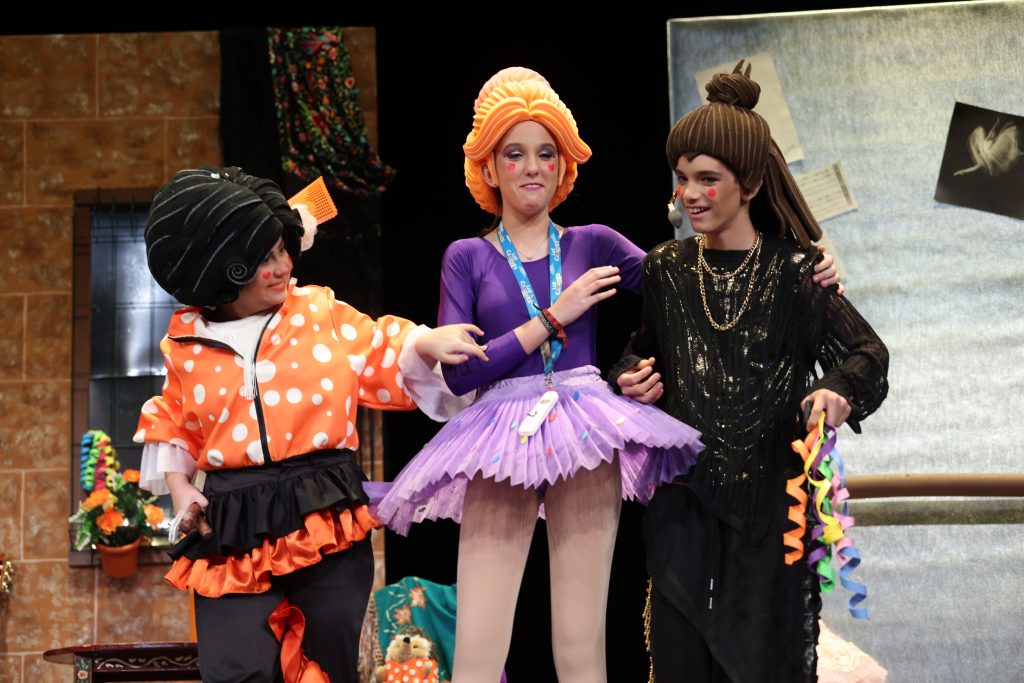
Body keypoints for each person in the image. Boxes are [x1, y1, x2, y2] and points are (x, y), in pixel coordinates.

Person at [375, 68, 840, 683]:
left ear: (564, 165)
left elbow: (693, 284)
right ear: (488, 167)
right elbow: (462, 378)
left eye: (546, 153)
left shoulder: (593, 243)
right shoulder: (467, 257)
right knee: (479, 652)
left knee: (581, 645)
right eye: (514, 154)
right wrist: (554, 316)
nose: (532, 167)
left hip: (582, 429)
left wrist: (803, 258)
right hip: (496, 435)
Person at [134, 166, 484, 682]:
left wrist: (424, 342)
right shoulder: (185, 342)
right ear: (221, 270)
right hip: (232, 519)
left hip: (322, 504)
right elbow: (174, 421)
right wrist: (182, 490)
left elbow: (378, 346)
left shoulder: (318, 312)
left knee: (327, 658)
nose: (280, 267)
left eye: (282, 250)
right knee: (237, 668)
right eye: (262, 259)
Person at [612, 62, 889, 682]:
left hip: (773, 507)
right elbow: (639, 350)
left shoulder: (796, 272)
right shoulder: (665, 269)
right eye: (682, 177)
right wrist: (629, 375)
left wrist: (836, 390)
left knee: (767, 665)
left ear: (751, 183)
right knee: (683, 661)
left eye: (708, 179)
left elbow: (868, 353)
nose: (690, 193)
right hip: (683, 506)